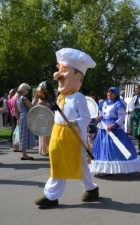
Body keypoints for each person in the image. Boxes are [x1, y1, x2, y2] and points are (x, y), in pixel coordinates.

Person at [35, 47, 99, 208]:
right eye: (59, 71)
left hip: (74, 135)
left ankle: (51, 195)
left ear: (78, 77)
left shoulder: (79, 98)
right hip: (58, 133)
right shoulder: (60, 96)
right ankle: (91, 189)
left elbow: (86, 117)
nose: (58, 76)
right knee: (58, 161)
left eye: (64, 71)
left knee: (77, 163)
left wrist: (75, 123)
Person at [90, 87, 140, 176]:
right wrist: (98, 117)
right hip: (103, 128)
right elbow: (101, 114)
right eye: (108, 92)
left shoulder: (118, 104)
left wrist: (113, 125)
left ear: (116, 95)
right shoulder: (103, 103)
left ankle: (115, 168)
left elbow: (122, 117)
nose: (109, 94)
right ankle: (105, 169)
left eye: (112, 93)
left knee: (114, 148)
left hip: (114, 129)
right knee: (104, 147)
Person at [14, 83, 35, 160]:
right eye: (27, 90)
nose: (28, 91)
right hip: (26, 116)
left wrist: (18, 119)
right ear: (24, 90)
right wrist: (34, 101)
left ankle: (24, 153)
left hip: (21, 116)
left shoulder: (17, 98)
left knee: (22, 135)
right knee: (25, 135)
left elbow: (16, 111)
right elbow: (31, 108)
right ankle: (24, 154)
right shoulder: (24, 98)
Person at [34, 82, 53, 156]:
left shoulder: (41, 98)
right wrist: (49, 106)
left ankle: (42, 149)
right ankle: (45, 150)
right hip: (44, 116)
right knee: (45, 134)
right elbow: (42, 107)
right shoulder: (42, 99)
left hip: (44, 116)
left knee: (43, 134)